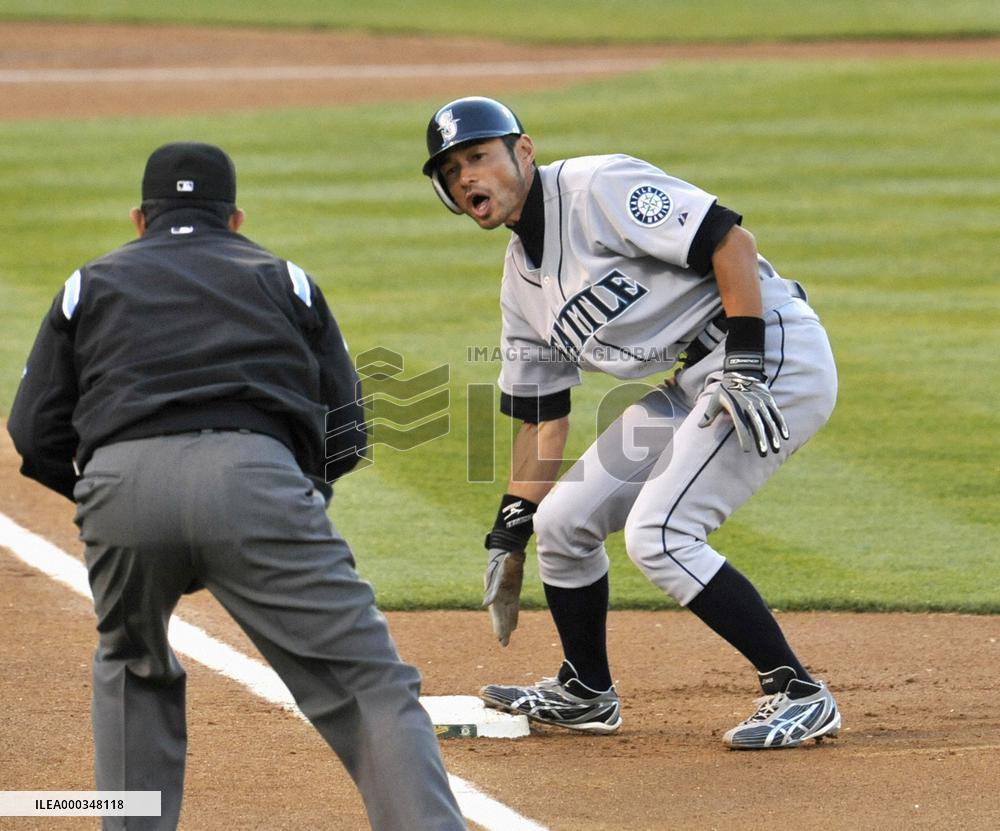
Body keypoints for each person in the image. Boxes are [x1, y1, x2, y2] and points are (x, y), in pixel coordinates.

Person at [8, 142, 467, 829]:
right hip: (256, 481)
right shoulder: (286, 279)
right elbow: (347, 428)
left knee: (130, 664)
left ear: (141, 219)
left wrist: (108, 497)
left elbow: (34, 430)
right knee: (370, 684)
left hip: (120, 485)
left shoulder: (88, 282)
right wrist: (293, 493)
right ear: (235, 218)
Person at [421, 97, 841, 750]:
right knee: (561, 521)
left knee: (662, 532)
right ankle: (587, 691)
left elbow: (730, 241)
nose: (467, 177)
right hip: (693, 381)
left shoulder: (595, 188)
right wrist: (508, 531)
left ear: (522, 151)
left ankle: (798, 690)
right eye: (451, 171)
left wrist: (748, 365)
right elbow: (541, 416)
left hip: (768, 352)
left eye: (477, 157)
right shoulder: (519, 286)